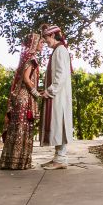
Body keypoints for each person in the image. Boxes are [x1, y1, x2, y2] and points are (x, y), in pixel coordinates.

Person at [0, 32, 42, 170]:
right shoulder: (32, 59)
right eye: (40, 42)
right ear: (34, 43)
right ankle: (19, 162)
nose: (42, 45)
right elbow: (26, 78)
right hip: (25, 98)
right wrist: (36, 93)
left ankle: (10, 161)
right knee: (22, 129)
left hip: (19, 98)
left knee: (16, 128)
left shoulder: (26, 58)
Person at [40, 23, 74, 170]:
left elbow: (60, 75)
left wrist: (50, 90)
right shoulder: (58, 50)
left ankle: (61, 159)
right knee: (58, 125)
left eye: (46, 38)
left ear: (53, 35)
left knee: (60, 124)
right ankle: (58, 157)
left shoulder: (60, 50)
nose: (45, 41)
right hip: (57, 95)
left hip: (58, 95)